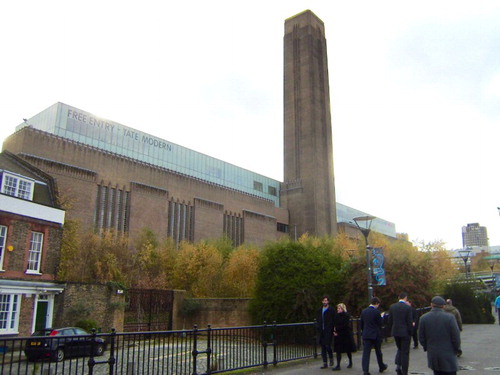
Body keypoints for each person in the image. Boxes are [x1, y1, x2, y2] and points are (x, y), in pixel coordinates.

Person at [418, 296, 461, 375]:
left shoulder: (423, 318)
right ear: (443, 306)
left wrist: (427, 347)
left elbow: (421, 337)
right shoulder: (450, 318)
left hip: (433, 354)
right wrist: (456, 349)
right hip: (448, 353)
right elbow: (456, 336)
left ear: (431, 305)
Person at [360, 297, 388, 375]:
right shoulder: (376, 312)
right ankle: (381, 366)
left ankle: (365, 370)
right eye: (378, 304)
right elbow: (380, 323)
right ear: (376, 303)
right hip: (375, 335)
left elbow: (361, 324)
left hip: (366, 334)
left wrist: (363, 332)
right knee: (378, 351)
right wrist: (382, 316)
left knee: (366, 353)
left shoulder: (364, 311)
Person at [388, 292, 413, 375]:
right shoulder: (407, 308)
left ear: (399, 297)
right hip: (405, 332)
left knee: (399, 349)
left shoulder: (392, 307)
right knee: (405, 352)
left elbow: (390, 320)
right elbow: (409, 321)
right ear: (406, 298)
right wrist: (411, 332)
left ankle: (398, 366)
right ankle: (404, 371)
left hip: (396, 331)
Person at [332, 303, 356, 370]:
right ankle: (338, 365)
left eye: (339, 308)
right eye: (337, 308)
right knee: (338, 350)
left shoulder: (346, 316)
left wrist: (336, 329)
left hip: (345, 334)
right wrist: (334, 331)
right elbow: (334, 324)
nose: (338, 309)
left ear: (343, 309)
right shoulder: (336, 316)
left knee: (348, 350)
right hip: (338, 335)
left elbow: (345, 325)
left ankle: (350, 362)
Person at [317, 295, 336, 369]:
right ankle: (325, 362)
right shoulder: (319, 310)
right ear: (322, 301)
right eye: (324, 300)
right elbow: (318, 319)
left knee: (328, 345)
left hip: (328, 330)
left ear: (328, 301)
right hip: (322, 330)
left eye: (326, 300)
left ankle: (331, 358)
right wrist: (318, 327)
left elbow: (334, 319)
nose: (325, 302)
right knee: (323, 347)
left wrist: (333, 329)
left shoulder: (331, 310)